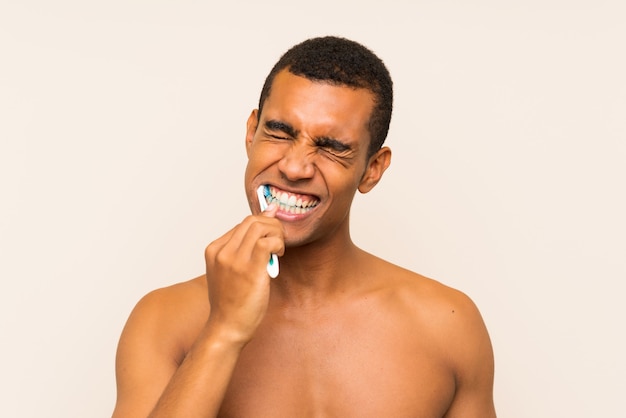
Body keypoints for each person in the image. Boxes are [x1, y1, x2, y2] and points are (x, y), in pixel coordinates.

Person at [112, 36, 496, 417]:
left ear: (373, 169)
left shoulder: (447, 326)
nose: (295, 168)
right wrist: (223, 331)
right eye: (279, 132)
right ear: (251, 132)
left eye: (331, 147)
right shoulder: (163, 321)